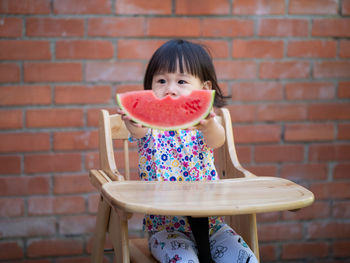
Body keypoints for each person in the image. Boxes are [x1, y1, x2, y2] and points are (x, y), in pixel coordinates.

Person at [118, 39, 258, 263]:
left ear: (204, 90)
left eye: (181, 81)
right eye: (161, 80)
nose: (170, 89)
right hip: (167, 231)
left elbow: (216, 140)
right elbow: (138, 132)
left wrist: (210, 125)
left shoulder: (205, 126)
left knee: (246, 259)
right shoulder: (150, 129)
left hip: (213, 227)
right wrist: (134, 123)